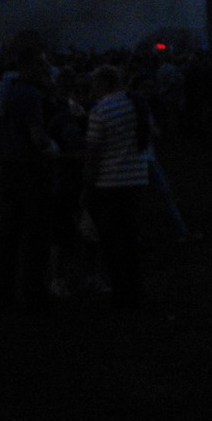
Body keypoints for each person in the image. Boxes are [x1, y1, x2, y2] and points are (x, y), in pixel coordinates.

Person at [0, 48, 53, 314]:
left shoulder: (3, 92)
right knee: (36, 233)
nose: (45, 71)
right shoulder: (30, 95)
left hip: (8, 166)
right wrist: (54, 148)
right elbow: (36, 136)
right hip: (30, 167)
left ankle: (3, 292)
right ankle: (33, 292)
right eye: (41, 66)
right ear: (31, 67)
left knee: (9, 233)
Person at [83, 65, 149, 315]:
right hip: (136, 179)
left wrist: (87, 186)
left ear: (103, 84)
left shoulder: (101, 110)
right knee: (130, 239)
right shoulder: (136, 104)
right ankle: (136, 290)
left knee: (111, 243)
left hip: (109, 182)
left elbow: (94, 154)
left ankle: (121, 295)